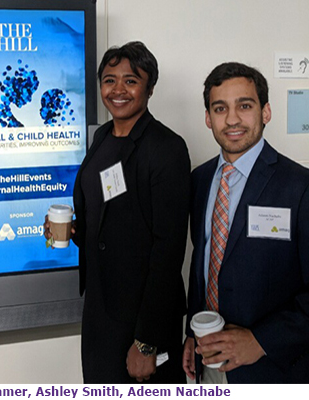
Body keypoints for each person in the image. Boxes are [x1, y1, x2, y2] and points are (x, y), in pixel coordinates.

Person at [46, 41, 191, 383]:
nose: (118, 90)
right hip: (100, 304)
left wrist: (146, 342)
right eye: (110, 80)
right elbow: (110, 220)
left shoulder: (166, 148)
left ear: (149, 87)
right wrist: (72, 231)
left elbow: (168, 250)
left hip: (143, 315)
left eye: (131, 80)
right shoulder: (102, 138)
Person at [183, 62, 309, 383]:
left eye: (245, 105)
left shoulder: (300, 186)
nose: (233, 119)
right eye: (220, 108)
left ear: (265, 112)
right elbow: (203, 264)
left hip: (271, 370)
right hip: (207, 360)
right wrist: (190, 332)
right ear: (208, 118)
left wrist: (260, 341)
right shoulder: (199, 180)